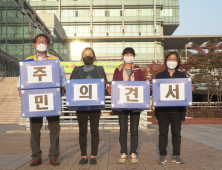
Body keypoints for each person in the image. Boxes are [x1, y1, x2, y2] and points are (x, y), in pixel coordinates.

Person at [16, 34, 66, 166]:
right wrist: (19, 88)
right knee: (35, 129)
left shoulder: (55, 60)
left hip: (52, 97)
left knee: (54, 128)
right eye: (39, 41)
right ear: (35, 45)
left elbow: (62, 76)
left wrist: (63, 86)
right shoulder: (29, 60)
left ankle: (53, 156)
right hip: (34, 98)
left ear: (48, 45)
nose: (42, 43)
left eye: (44, 41)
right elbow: (22, 78)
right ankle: (36, 156)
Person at [70, 47, 109, 165]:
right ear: (82, 57)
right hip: (80, 105)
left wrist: (106, 86)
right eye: (85, 54)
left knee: (94, 130)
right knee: (82, 131)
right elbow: (71, 85)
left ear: (94, 56)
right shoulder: (76, 70)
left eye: (90, 54)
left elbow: (105, 83)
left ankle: (93, 155)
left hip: (95, 105)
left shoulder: (99, 69)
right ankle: (83, 156)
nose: (88, 56)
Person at [154, 51, 194, 164]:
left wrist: (191, 89)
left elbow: (185, 93)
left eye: (174, 59)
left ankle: (176, 155)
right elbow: (156, 93)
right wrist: (152, 89)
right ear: (166, 60)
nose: (172, 61)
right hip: (163, 111)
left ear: (178, 62)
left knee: (176, 133)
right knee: (163, 134)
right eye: (170, 58)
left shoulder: (182, 76)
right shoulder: (159, 75)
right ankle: (162, 155)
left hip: (177, 110)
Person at [108, 47, 145, 164]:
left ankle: (133, 153)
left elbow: (143, 84)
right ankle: (123, 153)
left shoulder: (138, 70)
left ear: (134, 56)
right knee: (123, 129)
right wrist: (111, 91)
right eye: (126, 54)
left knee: (134, 130)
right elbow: (114, 85)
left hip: (135, 104)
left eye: (131, 54)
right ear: (123, 56)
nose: (129, 56)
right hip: (122, 104)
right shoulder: (117, 70)